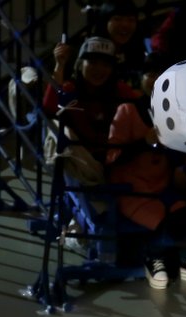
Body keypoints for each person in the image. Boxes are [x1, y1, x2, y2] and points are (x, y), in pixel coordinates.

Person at [107, 52, 186, 288]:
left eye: (162, 75)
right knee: (161, 219)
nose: (156, 80)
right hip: (132, 189)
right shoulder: (127, 110)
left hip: (163, 187)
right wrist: (144, 143)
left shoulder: (175, 114)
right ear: (141, 77)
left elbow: (179, 157)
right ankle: (154, 259)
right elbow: (112, 158)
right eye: (151, 74)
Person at [43, 35, 139, 250]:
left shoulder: (121, 91)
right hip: (83, 162)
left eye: (105, 64)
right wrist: (60, 65)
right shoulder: (71, 89)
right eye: (92, 62)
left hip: (116, 161)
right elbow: (49, 108)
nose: (99, 70)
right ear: (80, 64)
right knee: (60, 134)